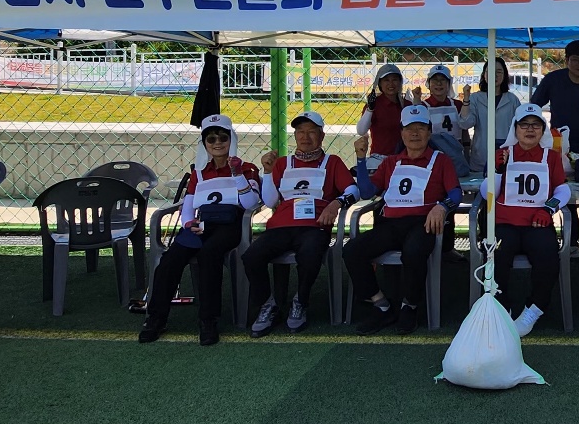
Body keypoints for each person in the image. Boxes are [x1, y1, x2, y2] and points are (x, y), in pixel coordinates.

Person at [140, 115, 261, 346]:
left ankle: (208, 320)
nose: (218, 143)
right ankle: (155, 318)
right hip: (202, 224)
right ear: (204, 144)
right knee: (170, 259)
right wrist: (188, 224)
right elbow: (188, 206)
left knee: (209, 254)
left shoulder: (247, 168)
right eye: (211, 139)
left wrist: (237, 175)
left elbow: (250, 203)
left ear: (231, 140)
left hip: (231, 224)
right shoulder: (200, 173)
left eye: (223, 137)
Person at [346, 105, 462, 335]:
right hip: (391, 224)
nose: (415, 133)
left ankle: (409, 305)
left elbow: (456, 193)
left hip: (423, 222)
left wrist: (442, 206)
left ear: (429, 132)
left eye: (421, 128)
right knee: (352, 250)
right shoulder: (391, 162)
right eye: (409, 128)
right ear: (401, 132)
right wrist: (360, 159)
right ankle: (381, 304)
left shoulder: (441, 160)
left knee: (414, 251)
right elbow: (367, 192)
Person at [243, 111, 359, 337]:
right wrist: (268, 172)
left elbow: (353, 190)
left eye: (311, 132)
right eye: (300, 132)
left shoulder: (332, 162)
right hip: (281, 226)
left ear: (322, 135)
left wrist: (336, 203)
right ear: (295, 135)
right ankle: (268, 305)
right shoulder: (283, 163)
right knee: (251, 256)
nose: (305, 137)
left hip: (314, 225)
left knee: (310, 254)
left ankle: (300, 301)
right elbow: (270, 201)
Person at [480, 104, 569, 336]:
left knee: (548, 256)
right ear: (515, 128)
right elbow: (487, 193)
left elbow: (563, 190)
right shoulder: (502, 153)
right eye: (524, 125)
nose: (530, 130)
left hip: (537, 223)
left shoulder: (551, 157)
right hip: (504, 222)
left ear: (543, 130)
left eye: (536, 125)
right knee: (496, 255)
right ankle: (501, 307)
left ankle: (534, 308)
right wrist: (498, 170)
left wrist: (548, 209)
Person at [531, 39, 579, 157]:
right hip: (557, 146)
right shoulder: (552, 80)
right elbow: (532, 108)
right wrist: (542, 133)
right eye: (575, 60)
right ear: (567, 60)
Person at [459, 57, 522, 176]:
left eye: (499, 72)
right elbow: (465, 123)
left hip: (506, 158)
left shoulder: (512, 100)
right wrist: (466, 99)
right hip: (481, 158)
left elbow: (520, 128)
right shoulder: (475, 98)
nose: (495, 75)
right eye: (490, 71)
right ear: (484, 75)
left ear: (505, 75)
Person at [355, 63, 407, 167]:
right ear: (380, 83)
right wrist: (370, 109)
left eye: (395, 80)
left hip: (404, 158)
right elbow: (361, 130)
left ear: (400, 82)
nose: (391, 84)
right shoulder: (375, 105)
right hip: (379, 159)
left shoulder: (407, 105)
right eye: (386, 80)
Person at [414, 64, 465, 138]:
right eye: (435, 80)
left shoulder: (458, 105)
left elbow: (464, 131)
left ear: (449, 83)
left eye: (443, 80)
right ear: (429, 83)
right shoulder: (423, 107)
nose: (439, 83)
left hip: (455, 145)